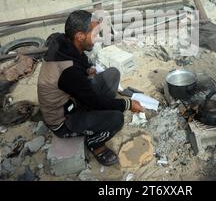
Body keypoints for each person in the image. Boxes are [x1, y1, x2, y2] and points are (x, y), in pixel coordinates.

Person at [37, 10, 143, 166]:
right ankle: (95, 144)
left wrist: (87, 68)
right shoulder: (68, 72)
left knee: (113, 74)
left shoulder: (63, 41)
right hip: (64, 120)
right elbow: (93, 100)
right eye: (94, 34)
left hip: (73, 98)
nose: (96, 38)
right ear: (80, 36)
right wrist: (128, 104)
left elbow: (78, 58)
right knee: (116, 119)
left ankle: (98, 116)